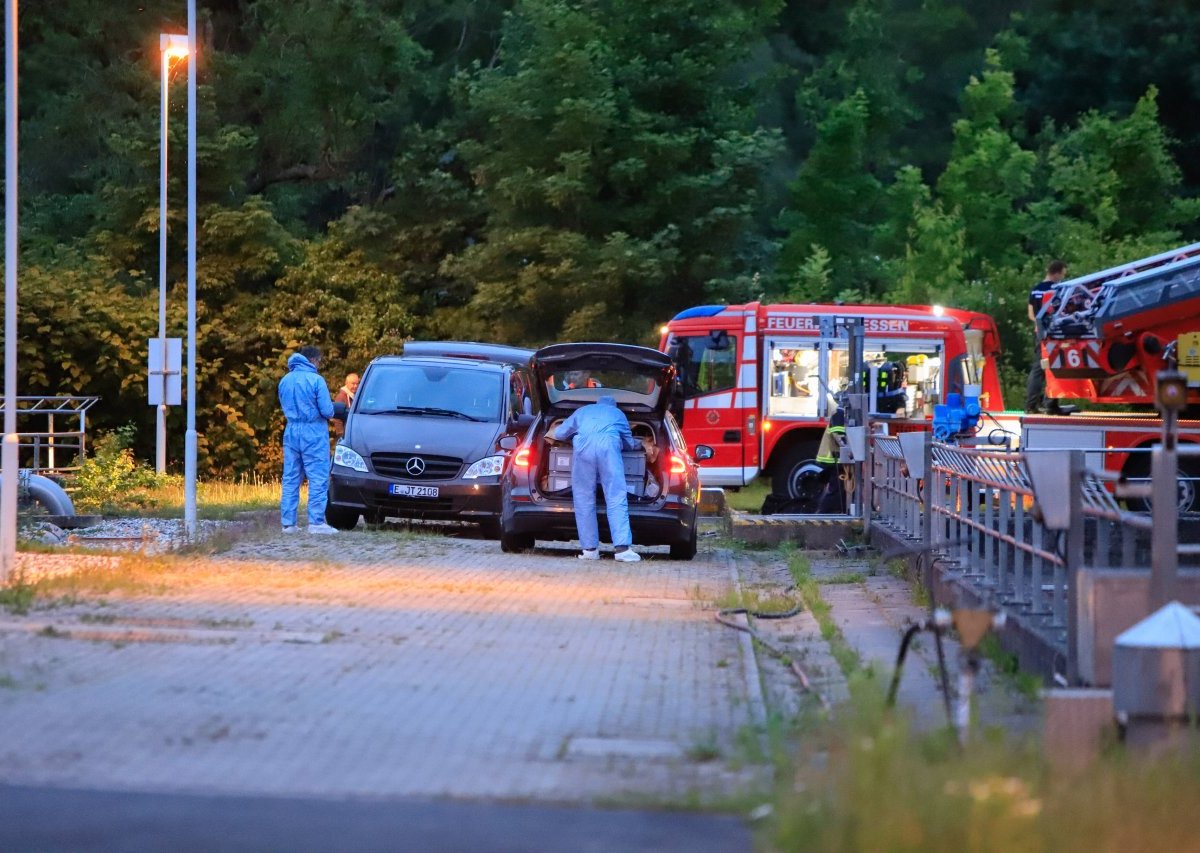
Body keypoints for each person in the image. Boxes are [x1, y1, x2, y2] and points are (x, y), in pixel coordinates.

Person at [550, 395, 642, 561]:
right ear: (614, 405)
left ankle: (590, 550)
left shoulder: (582, 411)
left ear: (596, 404)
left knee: (583, 497)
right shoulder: (618, 414)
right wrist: (639, 443)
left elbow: (560, 433)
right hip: (608, 448)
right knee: (615, 495)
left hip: (583, 447)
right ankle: (622, 550)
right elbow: (628, 443)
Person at [278, 345, 338, 534]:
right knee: (318, 476)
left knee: (291, 477)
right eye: (319, 361)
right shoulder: (316, 380)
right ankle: (316, 522)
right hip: (313, 431)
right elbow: (327, 411)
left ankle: (288, 524)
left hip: (291, 430)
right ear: (313, 360)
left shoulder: (285, 381)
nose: (319, 365)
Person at [1025, 260, 1067, 414]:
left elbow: (1031, 314)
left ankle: (1031, 404)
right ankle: (1051, 404)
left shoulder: (1035, 290)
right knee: (1055, 367)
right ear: (1056, 273)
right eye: (1062, 274)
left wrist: (1039, 323)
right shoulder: (1058, 289)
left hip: (1039, 333)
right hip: (1055, 334)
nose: (1062, 277)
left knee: (1038, 368)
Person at [332, 372, 359, 438]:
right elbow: (337, 418)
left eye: (357, 383)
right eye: (353, 384)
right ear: (346, 383)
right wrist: (341, 434)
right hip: (345, 434)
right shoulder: (341, 397)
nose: (355, 386)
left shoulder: (355, 396)